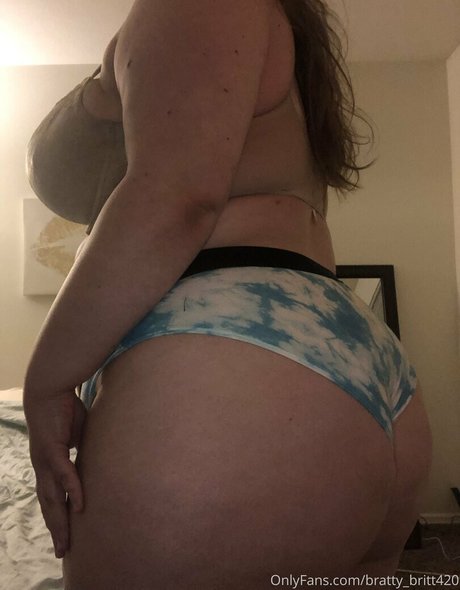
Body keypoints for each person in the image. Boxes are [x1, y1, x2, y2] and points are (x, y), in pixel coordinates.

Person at [23, 0, 433, 588]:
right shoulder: (265, 34)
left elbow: (176, 199)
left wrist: (47, 382)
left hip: (224, 365)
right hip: (349, 358)